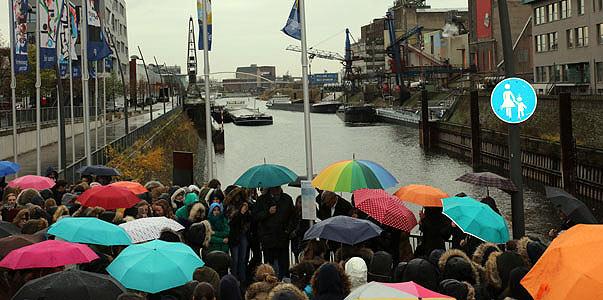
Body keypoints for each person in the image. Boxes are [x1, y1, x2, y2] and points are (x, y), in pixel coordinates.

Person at [253, 186, 296, 279]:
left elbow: (293, 216)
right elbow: (256, 216)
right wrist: (268, 212)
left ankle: (284, 280)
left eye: (278, 187)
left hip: (282, 237)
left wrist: (288, 230)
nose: (277, 189)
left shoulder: (287, 199)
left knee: (283, 263)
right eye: (275, 187)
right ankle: (270, 280)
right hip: (267, 237)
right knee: (269, 264)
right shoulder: (262, 200)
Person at [228, 199, 252, 283]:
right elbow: (232, 224)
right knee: (235, 259)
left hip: (243, 237)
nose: (245, 208)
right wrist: (241, 214)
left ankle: (242, 278)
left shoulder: (247, 216)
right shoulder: (235, 214)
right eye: (244, 206)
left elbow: (249, 224)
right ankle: (234, 278)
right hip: (234, 238)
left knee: (242, 258)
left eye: (246, 207)